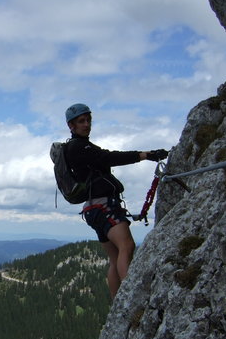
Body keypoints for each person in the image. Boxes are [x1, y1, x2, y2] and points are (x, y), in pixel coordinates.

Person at [63, 103, 168, 299]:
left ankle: (118, 304)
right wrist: (145, 155)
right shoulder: (79, 147)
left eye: (88, 120)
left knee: (114, 258)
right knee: (126, 247)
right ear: (71, 126)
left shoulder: (76, 147)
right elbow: (109, 157)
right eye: (81, 121)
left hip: (93, 208)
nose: (86, 124)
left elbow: (104, 158)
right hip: (104, 206)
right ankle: (131, 300)